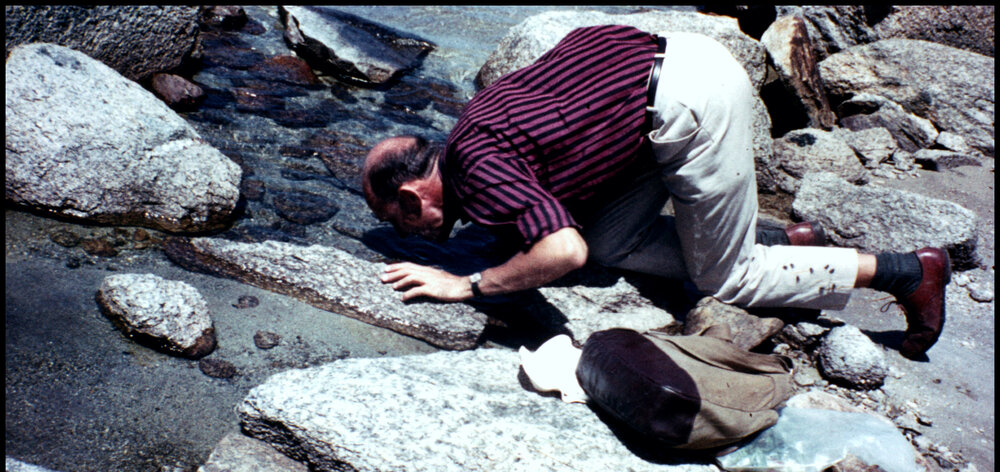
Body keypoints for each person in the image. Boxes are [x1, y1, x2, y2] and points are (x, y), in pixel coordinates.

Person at [362, 25, 950, 359]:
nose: (404, 234)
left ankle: (905, 270)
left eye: (397, 220)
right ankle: (783, 239)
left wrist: (468, 284)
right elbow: (580, 235)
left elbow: (562, 253)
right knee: (612, 243)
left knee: (728, 278)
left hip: (689, 99)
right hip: (660, 68)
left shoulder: (480, 169)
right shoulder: (472, 132)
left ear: (415, 197)